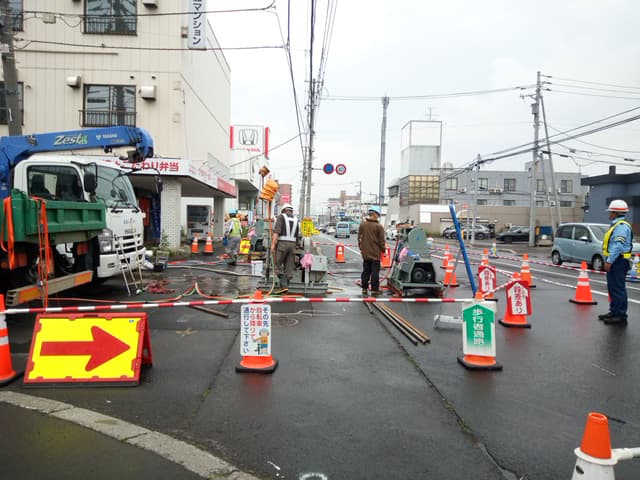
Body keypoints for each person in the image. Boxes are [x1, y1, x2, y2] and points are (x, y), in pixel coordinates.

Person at [598, 199, 633, 325]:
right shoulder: (617, 225)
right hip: (617, 260)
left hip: (618, 261)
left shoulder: (621, 227)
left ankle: (620, 315)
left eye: (611, 212)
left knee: (618, 288)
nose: (609, 214)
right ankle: (614, 311)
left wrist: (609, 261)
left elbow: (618, 246)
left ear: (615, 213)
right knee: (613, 288)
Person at [358, 205, 386, 296]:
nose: (378, 217)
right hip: (375, 254)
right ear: (375, 214)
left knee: (366, 271)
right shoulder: (379, 227)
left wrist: (362, 249)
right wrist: (383, 250)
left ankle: (364, 289)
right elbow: (382, 241)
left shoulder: (363, 225)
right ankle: (374, 290)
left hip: (365, 254)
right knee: (375, 273)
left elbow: (359, 238)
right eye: (378, 215)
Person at [271, 203, 300, 289]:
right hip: (293, 245)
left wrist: (273, 245)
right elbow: (297, 235)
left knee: (277, 264)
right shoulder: (296, 219)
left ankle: (283, 284)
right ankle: (285, 286)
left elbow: (277, 232)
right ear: (291, 211)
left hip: (282, 244)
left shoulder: (281, 217)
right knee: (289, 266)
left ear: (283, 210)